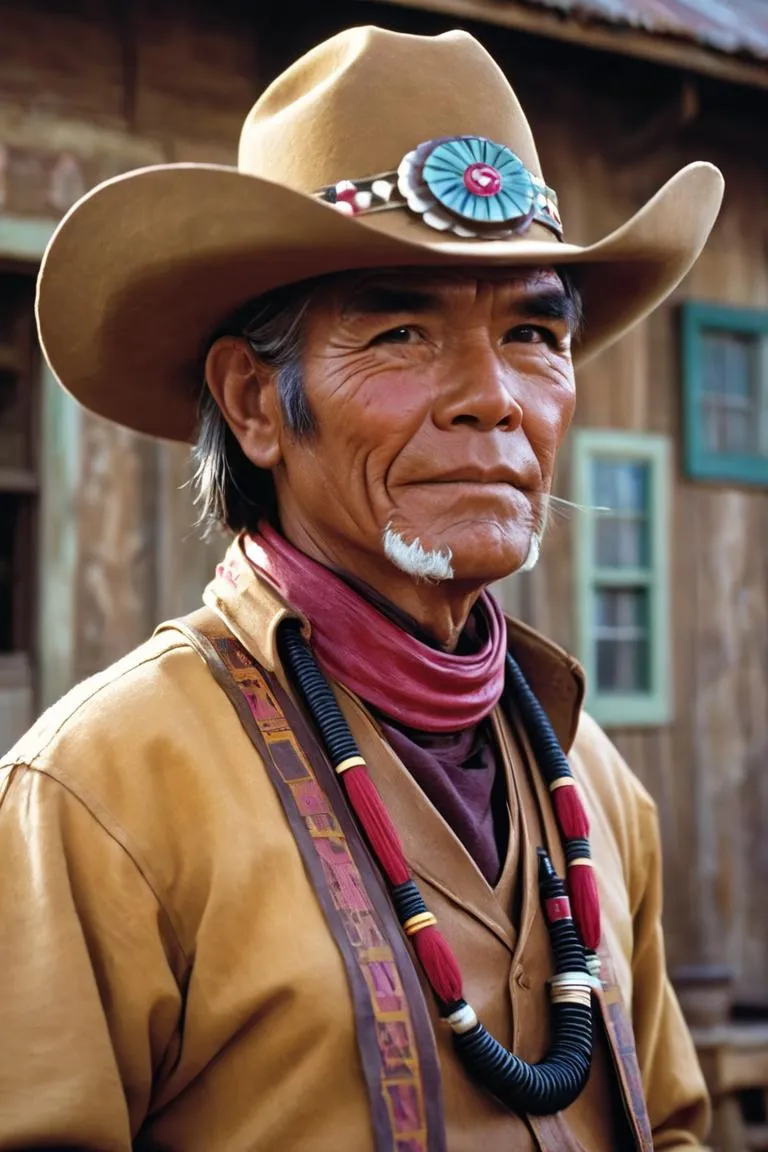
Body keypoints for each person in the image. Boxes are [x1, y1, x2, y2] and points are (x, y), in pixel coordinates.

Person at [0, 24, 723, 1152]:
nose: (494, 399)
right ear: (252, 403)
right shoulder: (100, 793)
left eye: (534, 332)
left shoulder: (599, 788)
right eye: (400, 330)